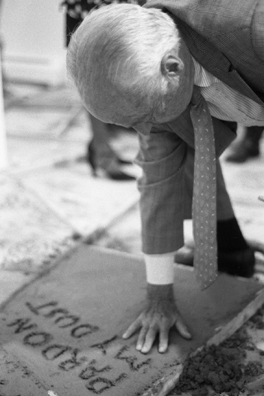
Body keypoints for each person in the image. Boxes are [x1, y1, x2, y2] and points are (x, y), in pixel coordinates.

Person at [67, 0, 264, 354]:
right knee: (178, 140)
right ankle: (231, 249)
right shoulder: (154, 82)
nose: (142, 130)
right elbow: (158, 186)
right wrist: (159, 296)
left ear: (172, 69)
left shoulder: (253, 26)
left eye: (141, 117)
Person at [62, 0, 137, 180]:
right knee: (94, 74)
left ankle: (101, 144)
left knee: (113, 73)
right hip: (91, 5)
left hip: (111, 5)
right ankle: (101, 150)